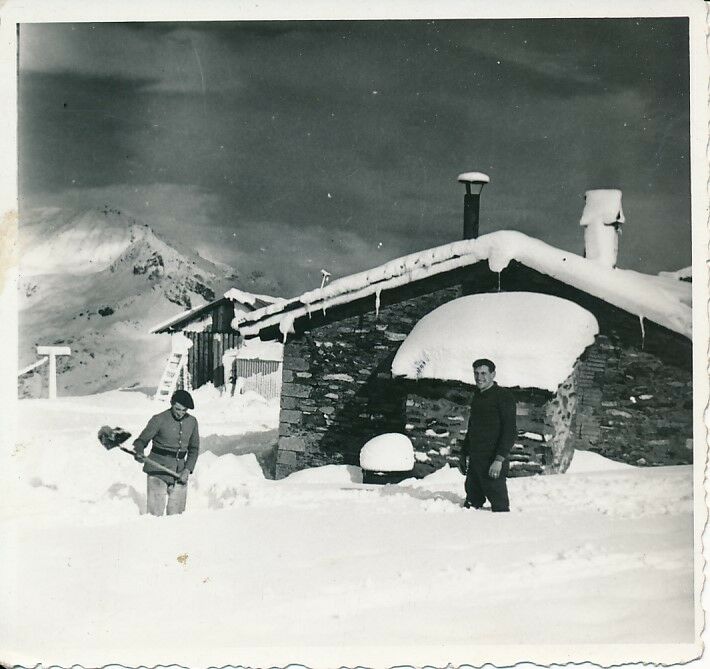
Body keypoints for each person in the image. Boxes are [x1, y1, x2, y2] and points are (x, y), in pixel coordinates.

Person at [459, 358, 516, 512]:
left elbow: (510, 431)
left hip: (493, 462)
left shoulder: (503, 397)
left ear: (493, 374)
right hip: (475, 461)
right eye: (476, 373)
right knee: (471, 505)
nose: (479, 377)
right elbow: (472, 428)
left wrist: (499, 460)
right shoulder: (478, 396)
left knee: (500, 508)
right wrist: (463, 453)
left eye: (484, 373)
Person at [131, 389, 200, 516]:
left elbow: (194, 449)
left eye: (184, 410)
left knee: (177, 517)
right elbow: (141, 441)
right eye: (178, 409)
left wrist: (187, 470)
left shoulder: (192, 422)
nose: (180, 413)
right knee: (155, 515)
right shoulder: (159, 419)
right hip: (157, 471)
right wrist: (139, 451)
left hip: (179, 473)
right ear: (171, 404)